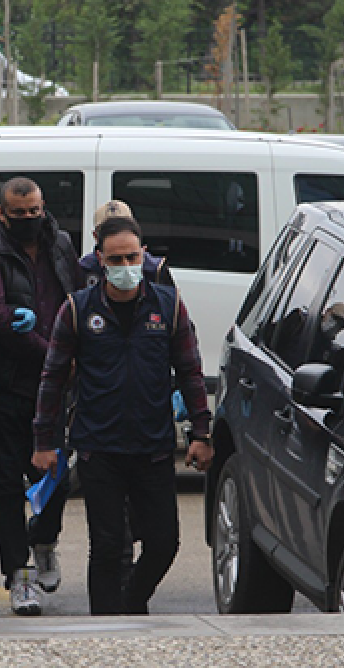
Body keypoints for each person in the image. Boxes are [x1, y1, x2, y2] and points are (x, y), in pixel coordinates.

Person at [32, 215, 213, 615]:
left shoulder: (168, 306)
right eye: (116, 259)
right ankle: (105, 628)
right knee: (108, 547)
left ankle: (131, 602)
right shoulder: (77, 311)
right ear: (99, 261)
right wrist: (44, 442)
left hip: (153, 447)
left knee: (164, 542)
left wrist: (201, 431)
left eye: (132, 257)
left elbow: (190, 370)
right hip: (100, 449)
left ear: (144, 255)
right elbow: (52, 379)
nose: (126, 267)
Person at [0, 176, 81, 616]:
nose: (30, 219)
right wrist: (54, 354)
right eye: (20, 214)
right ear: (2, 214)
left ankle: (45, 540)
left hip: (53, 391)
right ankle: (19, 575)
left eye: (36, 211)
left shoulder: (60, 244)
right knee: (6, 489)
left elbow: (77, 296)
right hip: (6, 387)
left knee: (58, 476)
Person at [77, 200, 174, 289]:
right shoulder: (85, 268)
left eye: (123, 228)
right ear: (95, 236)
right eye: (107, 231)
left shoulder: (155, 269)